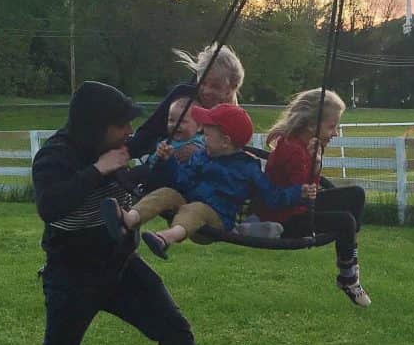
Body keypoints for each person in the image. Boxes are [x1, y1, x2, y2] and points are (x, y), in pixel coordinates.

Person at [5, 81, 254, 345]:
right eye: (121, 125)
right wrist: (98, 170)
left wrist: (193, 90)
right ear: (97, 125)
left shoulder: (118, 147)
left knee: (176, 332)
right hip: (73, 275)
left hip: (122, 266)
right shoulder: (55, 156)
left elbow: (156, 128)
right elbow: (50, 206)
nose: (129, 133)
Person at [102, 103, 316, 253]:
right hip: (188, 205)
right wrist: (168, 161)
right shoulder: (201, 156)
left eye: (207, 134)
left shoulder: (248, 167)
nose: (203, 137)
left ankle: (166, 238)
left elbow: (273, 197)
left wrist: (299, 192)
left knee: (195, 209)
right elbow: (182, 181)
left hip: (215, 223)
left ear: (225, 141)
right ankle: (130, 219)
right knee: (167, 193)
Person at [255, 88, 371, 308]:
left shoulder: (301, 146)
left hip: (299, 207)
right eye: (332, 126)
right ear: (311, 125)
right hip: (286, 218)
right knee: (346, 220)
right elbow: (302, 190)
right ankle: (347, 276)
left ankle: (349, 254)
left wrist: (316, 162)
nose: (335, 133)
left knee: (356, 194)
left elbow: (310, 187)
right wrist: (313, 161)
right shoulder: (293, 150)